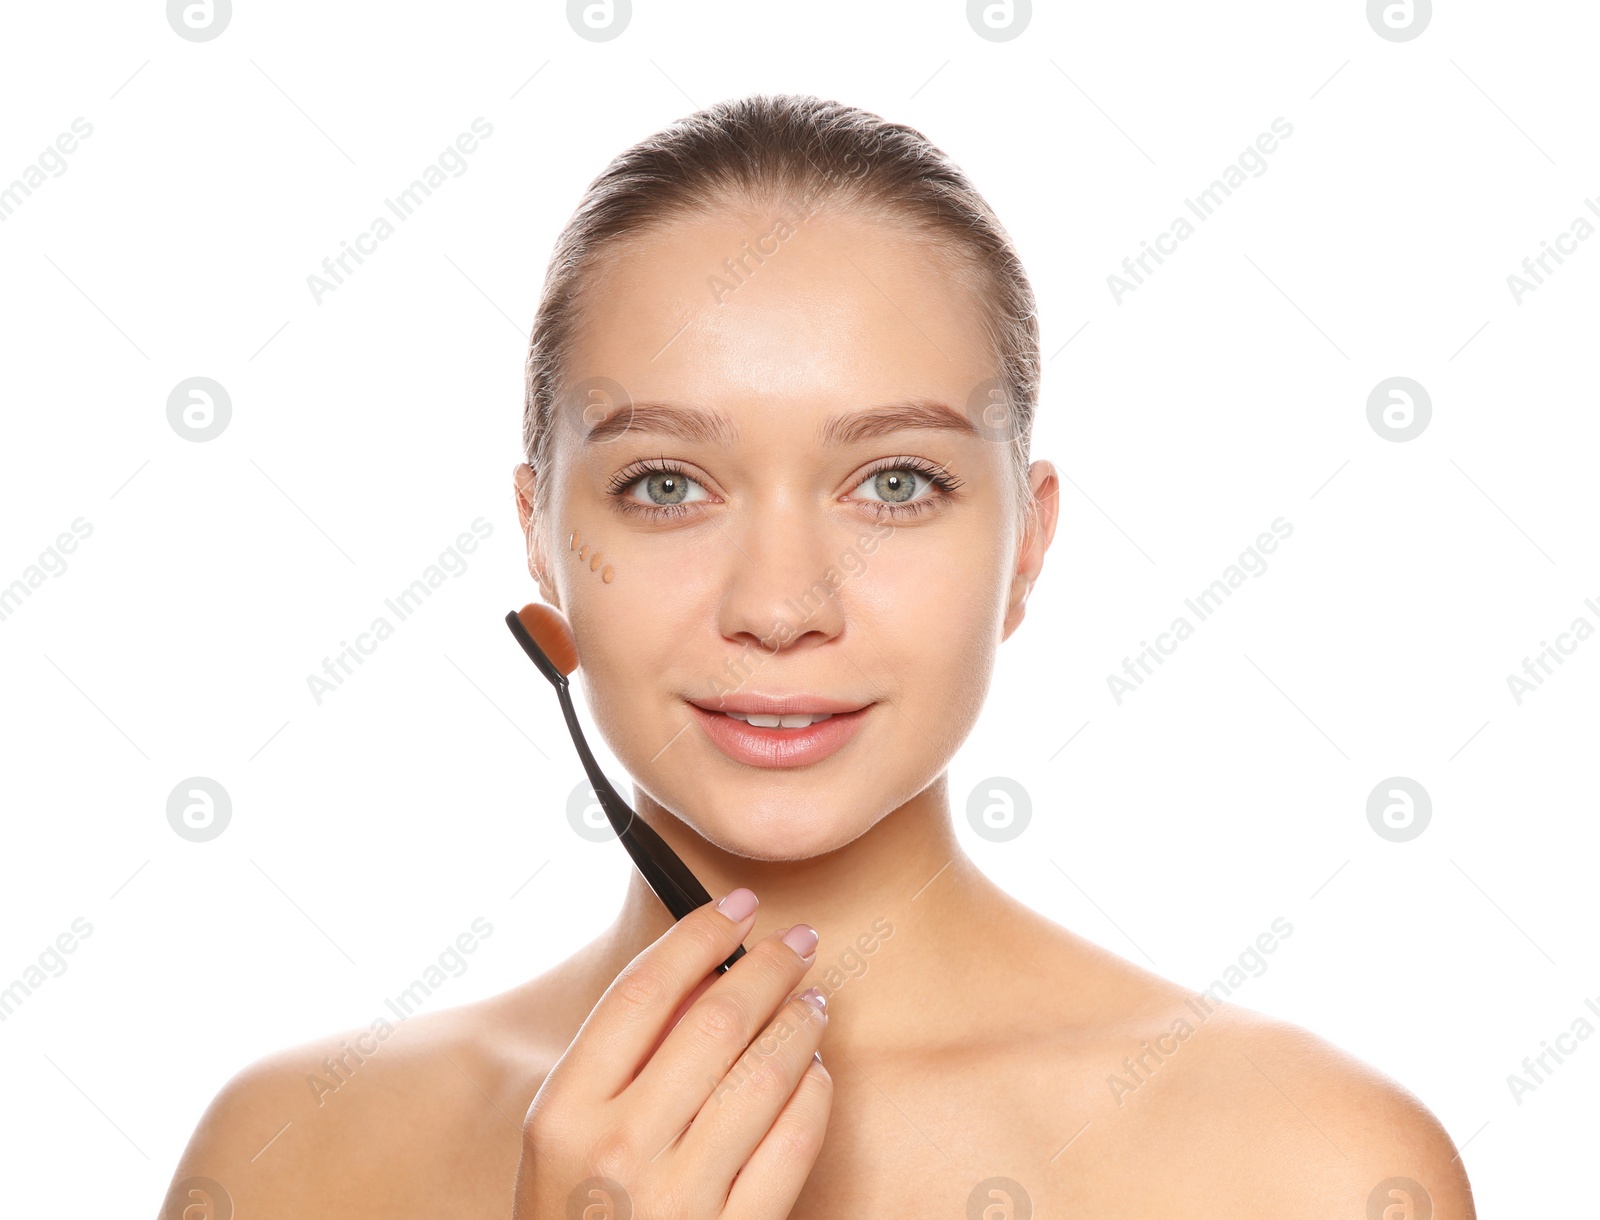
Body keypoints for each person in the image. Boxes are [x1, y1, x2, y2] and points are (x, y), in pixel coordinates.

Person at [163, 93, 1476, 1219]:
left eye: (894, 482)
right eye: (668, 485)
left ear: (1027, 546)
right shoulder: (290, 1156)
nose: (781, 606)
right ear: (541, 539)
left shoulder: (1314, 1166)